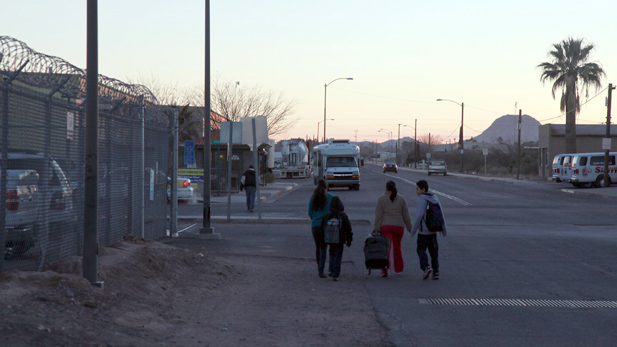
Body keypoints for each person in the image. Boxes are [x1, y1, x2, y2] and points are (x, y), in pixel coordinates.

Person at [409, 180, 447, 280]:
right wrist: (443, 229)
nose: (416, 191)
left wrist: (413, 231)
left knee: (420, 249)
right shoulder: (435, 198)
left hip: (423, 231)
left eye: (417, 189)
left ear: (423, 189)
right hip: (433, 230)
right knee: (434, 252)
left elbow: (419, 216)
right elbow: (441, 213)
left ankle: (426, 267)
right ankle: (436, 272)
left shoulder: (421, 199)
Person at [373, 180, 412, 277]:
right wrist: (410, 228)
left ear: (386, 188)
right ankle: (399, 268)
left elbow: (379, 216)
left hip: (386, 227)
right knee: (397, 247)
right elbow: (406, 215)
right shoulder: (401, 199)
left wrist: (376, 229)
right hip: (399, 227)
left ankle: (386, 268)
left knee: (387, 248)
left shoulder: (381, 199)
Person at [321, 196, 353, 281]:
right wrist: (349, 240)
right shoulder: (343, 216)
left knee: (331, 252)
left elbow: (322, 227)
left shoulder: (328, 215)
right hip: (340, 238)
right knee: (338, 255)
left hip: (330, 238)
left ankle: (331, 270)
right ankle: (336, 273)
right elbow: (348, 229)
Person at [308, 179, 334, 278]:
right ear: (326, 187)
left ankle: (320, 267)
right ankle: (322, 270)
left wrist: (314, 219)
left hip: (315, 225)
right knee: (324, 247)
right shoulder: (330, 197)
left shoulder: (313, 197)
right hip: (326, 225)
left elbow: (309, 212)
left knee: (318, 247)